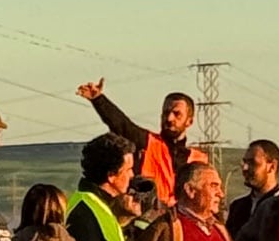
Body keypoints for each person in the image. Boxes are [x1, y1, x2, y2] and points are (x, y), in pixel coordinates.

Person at [76, 79, 209, 205]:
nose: (169, 118)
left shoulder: (199, 160)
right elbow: (121, 124)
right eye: (166, 112)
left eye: (177, 114)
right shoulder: (147, 142)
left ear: (189, 121)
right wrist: (98, 100)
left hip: (182, 220)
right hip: (146, 217)